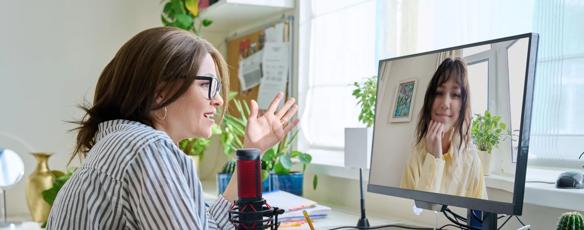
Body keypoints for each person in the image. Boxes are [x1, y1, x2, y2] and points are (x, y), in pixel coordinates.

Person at [46, 27, 299, 229]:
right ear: (160, 92)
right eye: (207, 85)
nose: (219, 99)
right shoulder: (147, 149)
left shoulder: (123, 142)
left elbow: (207, 225)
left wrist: (251, 152)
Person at [400, 57, 486, 199]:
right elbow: (413, 214)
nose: (445, 103)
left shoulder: (471, 159)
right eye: (439, 93)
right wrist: (434, 159)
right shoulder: (415, 156)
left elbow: (481, 216)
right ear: (430, 100)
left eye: (455, 94)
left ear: (463, 105)